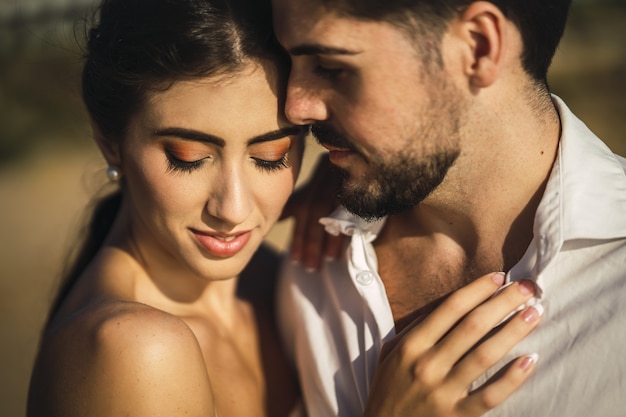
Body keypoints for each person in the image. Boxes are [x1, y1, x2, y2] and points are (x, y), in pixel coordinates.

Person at [26, 0, 542, 416]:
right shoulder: (135, 351)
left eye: (271, 157)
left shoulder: (277, 282)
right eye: (188, 158)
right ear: (109, 140)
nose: (233, 207)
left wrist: (350, 181)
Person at [272, 0, 626, 416]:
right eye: (287, 60)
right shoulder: (312, 263)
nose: (295, 107)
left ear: (477, 46)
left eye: (331, 66)